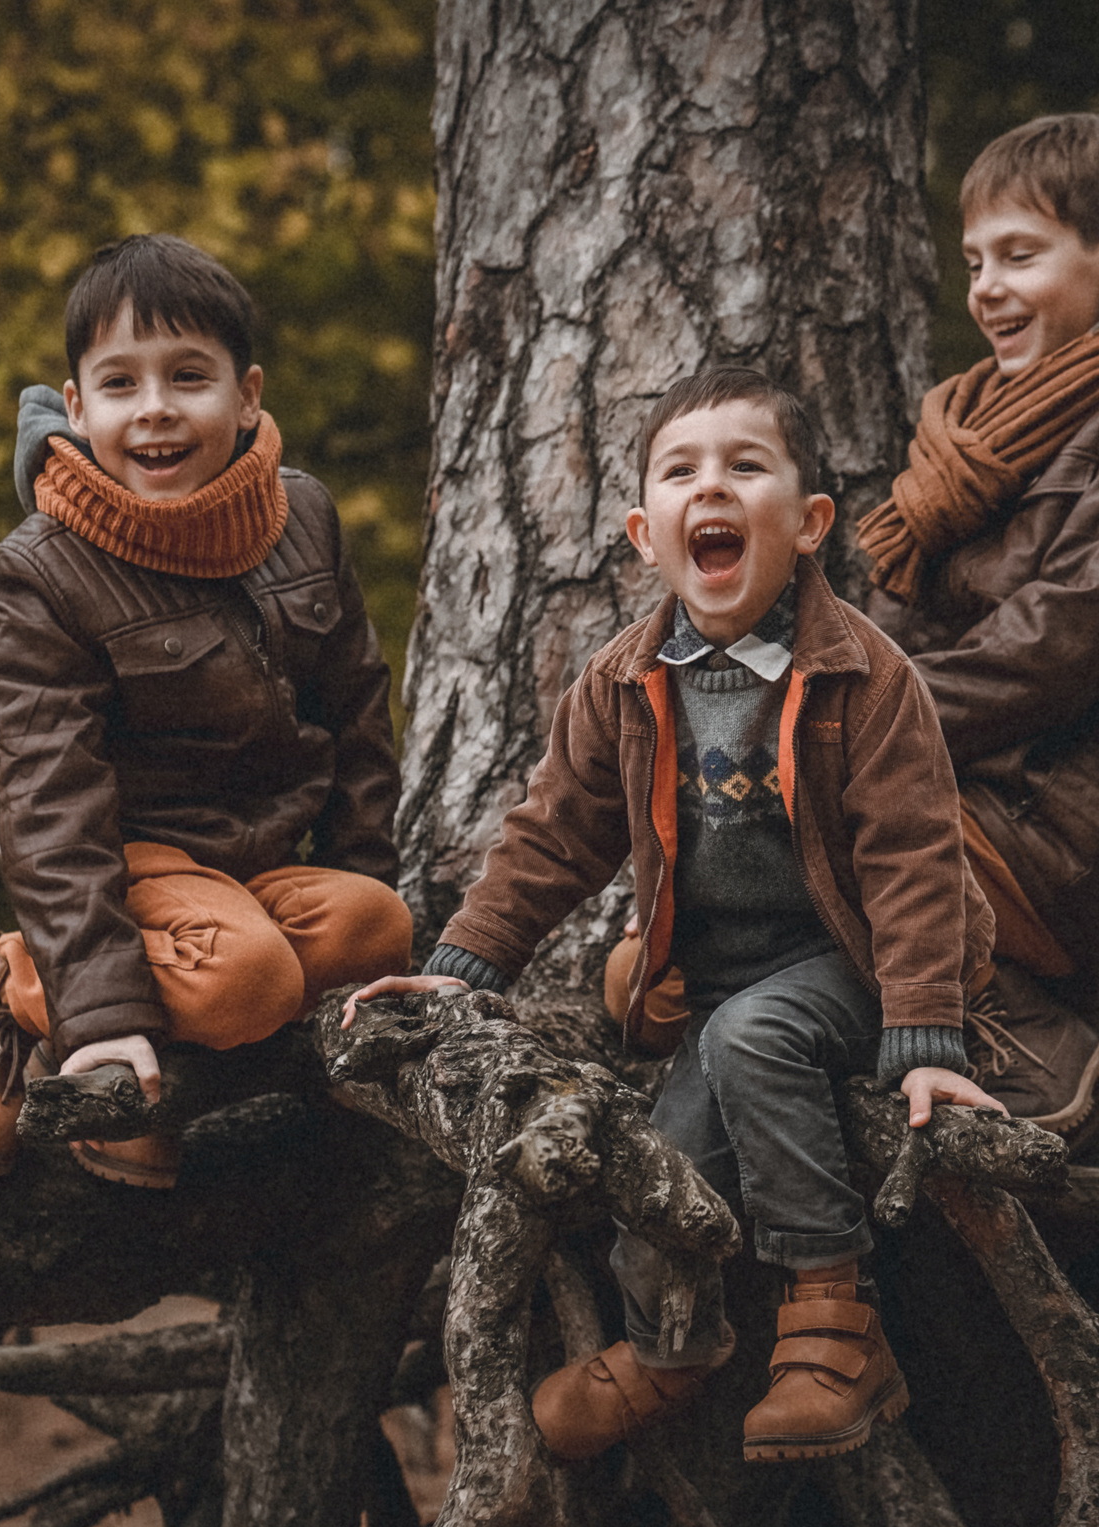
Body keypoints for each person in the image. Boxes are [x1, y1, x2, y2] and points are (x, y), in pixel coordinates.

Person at [346, 367, 1002, 1464]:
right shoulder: (623, 680)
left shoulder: (863, 677)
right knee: (663, 1161)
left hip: (856, 959)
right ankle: (670, 1346)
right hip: (717, 982)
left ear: (808, 524)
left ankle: (836, 1325)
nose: (716, 487)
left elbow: (914, 859)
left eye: (747, 467)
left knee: (759, 1035)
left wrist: (925, 1031)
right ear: (646, 533)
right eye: (683, 471)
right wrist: (466, 962)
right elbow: (554, 834)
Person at [0, 234, 411, 1190]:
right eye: (122, 384)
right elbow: (49, 807)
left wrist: (357, 899)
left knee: (378, 923)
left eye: (189, 376)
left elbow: (356, 716)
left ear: (248, 393)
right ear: (79, 404)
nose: (158, 410)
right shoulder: (40, 576)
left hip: (255, 871)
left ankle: (200, 982)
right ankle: (9, 978)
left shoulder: (303, 516)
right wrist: (103, 1020)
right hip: (131, 867)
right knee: (247, 979)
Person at [856, 110, 1099, 1147]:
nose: (986, 286)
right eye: (975, 259)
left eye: (1019, 255)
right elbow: (891, 628)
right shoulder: (974, 441)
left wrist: (835, 716)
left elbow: (1060, 643)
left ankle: (1034, 1040)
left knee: (792, 813)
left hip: (1057, 827)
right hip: (963, 789)